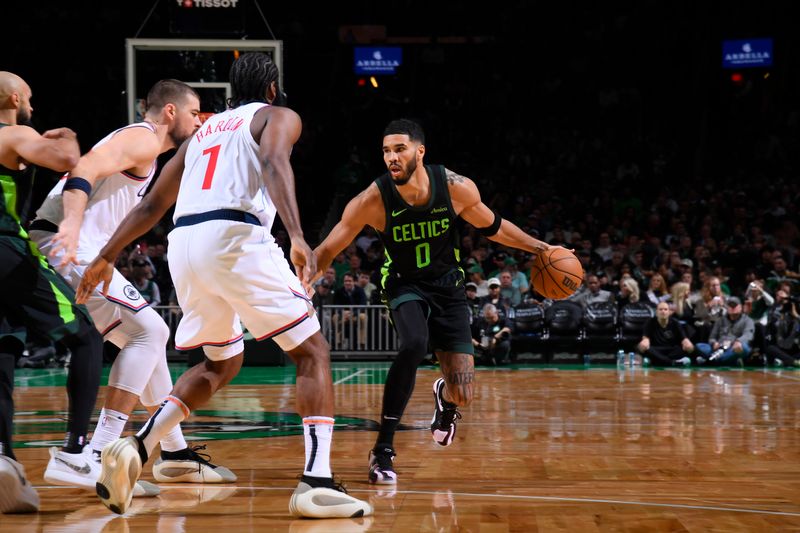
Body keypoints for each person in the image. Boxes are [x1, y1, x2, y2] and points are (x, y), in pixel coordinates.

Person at [75, 53, 371, 518]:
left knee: (221, 361)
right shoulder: (277, 115)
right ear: (272, 90)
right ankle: (316, 482)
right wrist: (295, 234)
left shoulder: (199, 135)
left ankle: (137, 447)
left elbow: (152, 205)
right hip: (236, 238)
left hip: (185, 245)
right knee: (312, 351)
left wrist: (106, 255)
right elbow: (274, 161)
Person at [312, 118, 558, 485]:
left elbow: (495, 227)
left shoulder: (455, 188)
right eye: (385, 151)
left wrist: (542, 248)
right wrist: (301, 279)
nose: (391, 158)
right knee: (414, 343)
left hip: (448, 287)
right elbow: (330, 247)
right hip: (403, 283)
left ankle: (446, 397)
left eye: (399, 149)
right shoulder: (374, 199)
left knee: (465, 391)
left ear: (420, 151)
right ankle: (383, 449)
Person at [29, 79, 234, 495]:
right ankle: (99, 455)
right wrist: (70, 224)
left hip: (75, 246)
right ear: (171, 112)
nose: (198, 123)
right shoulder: (142, 138)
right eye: (194, 113)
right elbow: (84, 166)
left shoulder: (152, 156)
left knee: (147, 343)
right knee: (152, 332)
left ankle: (172, 453)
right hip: (63, 242)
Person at [0, 71, 103, 513]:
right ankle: (76, 450)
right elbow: (65, 160)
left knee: (3, 349)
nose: (33, 108)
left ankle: (4, 460)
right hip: (4, 248)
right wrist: (69, 137)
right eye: (30, 99)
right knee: (86, 335)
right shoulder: (12, 131)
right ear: (14, 96)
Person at [637, 301, 695, 366]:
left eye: (665, 309)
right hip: (657, 349)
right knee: (644, 348)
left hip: (671, 350)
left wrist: (688, 345)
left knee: (687, 349)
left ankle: (658, 361)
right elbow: (645, 338)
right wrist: (644, 343)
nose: (663, 311)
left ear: (669, 312)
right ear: (656, 312)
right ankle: (672, 362)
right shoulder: (650, 322)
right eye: (660, 309)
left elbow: (684, 339)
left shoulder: (675, 323)